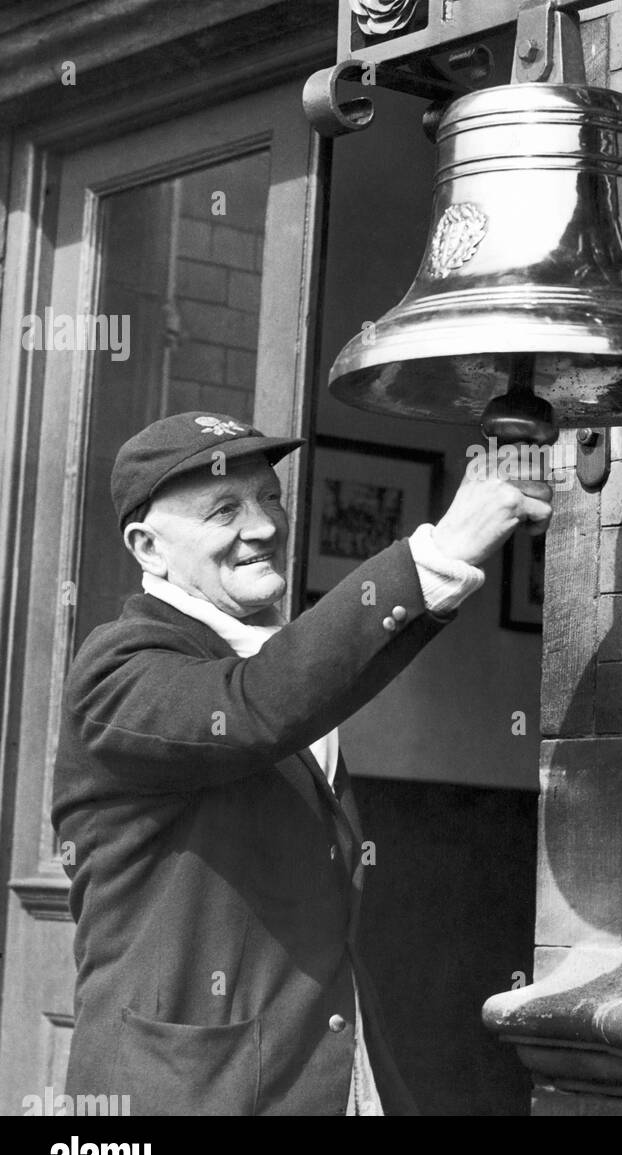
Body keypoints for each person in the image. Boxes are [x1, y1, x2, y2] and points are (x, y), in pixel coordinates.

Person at [51, 410, 552, 1116]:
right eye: (224, 508)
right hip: (184, 1093)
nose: (262, 526)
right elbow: (259, 706)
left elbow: (289, 685)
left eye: (272, 498)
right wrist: (443, 549)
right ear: (148, 547)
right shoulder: (116, 670)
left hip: (327, 1074)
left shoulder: (264, 655)